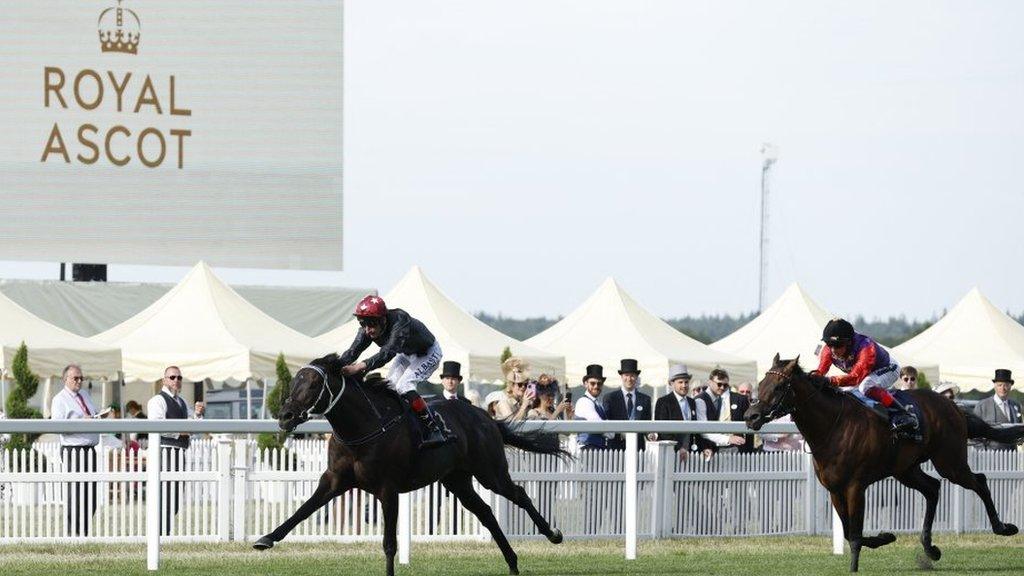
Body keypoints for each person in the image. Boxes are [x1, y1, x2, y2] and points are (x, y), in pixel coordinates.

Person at [337, 295, 452, 448]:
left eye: (370, 324)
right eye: (362, 323)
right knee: (389, 386)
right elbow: (352, 352)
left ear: (383, 320)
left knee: (404, 386)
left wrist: (359, 366)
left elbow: (388, 353)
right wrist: (335, 367)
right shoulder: (368, 328)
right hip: (405, 353)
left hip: (428, 352)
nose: (367, 329)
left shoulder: (400, 320)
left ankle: (434, 427)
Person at [813, 318, 919, 435]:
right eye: (829, 344)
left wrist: (829, 380)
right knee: (844, 393)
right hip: (865, 374)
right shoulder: (828, 350)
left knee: (865, 386)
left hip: (889, 368)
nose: (833, 350)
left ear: (848, 342)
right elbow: (819, 373)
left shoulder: (865, 347)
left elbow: (855, 378)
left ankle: (902, 413)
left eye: (837, 345)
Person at [49, 364, 99, 536]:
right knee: (76, 494)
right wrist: (80, 421)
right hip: (73, 450)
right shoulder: (59, 399)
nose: (79, 381)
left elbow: (90, 415)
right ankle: (73, 533)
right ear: (65, 379)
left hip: (90, 449)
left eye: (81, 378)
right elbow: (58, 427)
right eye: (75, 378)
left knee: (91, 494)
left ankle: (84, 531)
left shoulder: (85, 395)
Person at [147, 366, 191, 535]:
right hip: (165, 451)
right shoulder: (157, 401)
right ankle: (159, 533)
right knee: (165, 495)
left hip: (179, 451)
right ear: (164, 380)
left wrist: (199, 415)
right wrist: (179, 432)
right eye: (172, 377)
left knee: (175, 496)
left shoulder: (183, 402)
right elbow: (157, 426)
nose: (176, 380)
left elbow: (193, 425)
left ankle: (165, 532)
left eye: (179, 377)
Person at [696, 368, 756, 457]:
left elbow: (749, 428)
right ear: (710, 382)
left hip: (737, 448)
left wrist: (749, 452)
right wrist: (728, 439)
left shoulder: (741, 399)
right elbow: (703, 430)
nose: (722, 387)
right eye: (719, 384)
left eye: (725, 385)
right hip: (712, 449)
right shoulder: (701, 400)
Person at [652, 365, 705, 459]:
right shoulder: (663, 401)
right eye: (680, 382)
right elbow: (663, 430)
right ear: (672, 384)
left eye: (686, 382)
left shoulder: (692, 402)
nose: (684, 385)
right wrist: (679, 448)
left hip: (691, 452)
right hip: (671, 453)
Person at [603, 359, 652, 450]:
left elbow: (647, 424)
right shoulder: (610, 398)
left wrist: (651, 434)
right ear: (621, 376)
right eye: (626, 375)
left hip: (638, 448)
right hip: (616, 448)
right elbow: (606, 424)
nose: (629, 379)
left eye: (632, 376)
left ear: (636, 377)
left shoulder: (645, 399)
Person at [973, 369, 1022, 450]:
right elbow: (974, 435)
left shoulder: (1015, 406)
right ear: (994, 386)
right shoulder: (982, 406)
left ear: (1010, 386)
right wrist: (983, 453)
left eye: (1006, 385)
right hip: (989, 456)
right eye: (1000, 385)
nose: (1003, 388)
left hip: (1012, 456)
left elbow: (1018, 432)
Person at [573, 364, 612, 450]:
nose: (596, 386)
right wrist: (611, 432)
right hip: (588, 448)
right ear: (585, 384)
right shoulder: (584, 402)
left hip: (597, 449)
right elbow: (599, 425)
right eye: (592, 383)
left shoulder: (597, 403)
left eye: (599, 383)